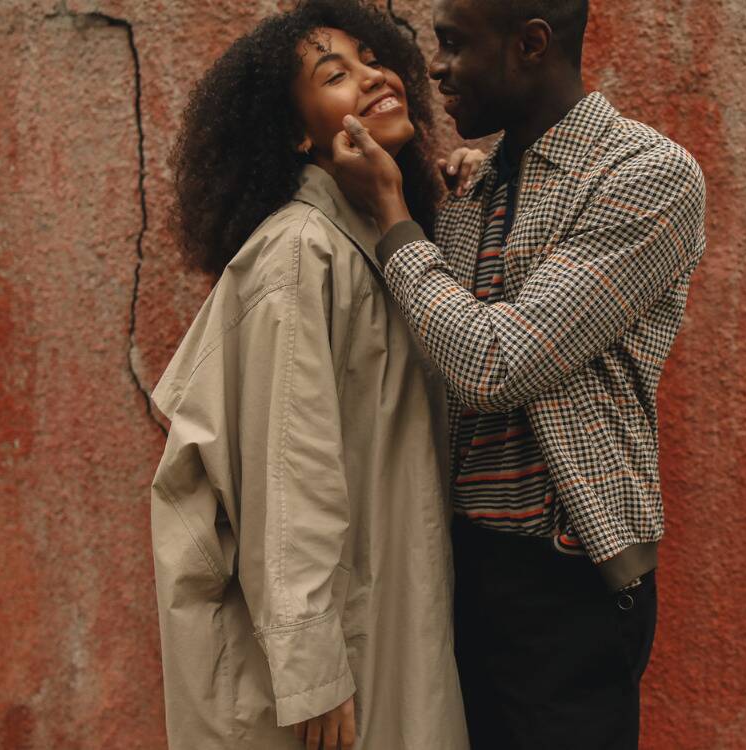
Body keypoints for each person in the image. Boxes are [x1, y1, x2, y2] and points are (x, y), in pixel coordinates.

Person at [329, 0, 708, 748]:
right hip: (453, 568)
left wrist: (390, 212)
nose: (433, 68)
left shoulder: (647, 176)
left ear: (531, 44)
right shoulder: (477, 186)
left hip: (564, 587)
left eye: (454, 45)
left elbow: (494, 364)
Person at [149, 2, 477, 748]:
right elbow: (286, 483)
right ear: (299, 135)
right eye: (335, 73)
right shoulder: (300, 255)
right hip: (331, 667)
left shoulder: (377, 240)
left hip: (387, 617)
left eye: (372, 57)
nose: (372, 77)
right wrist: (313, 673)